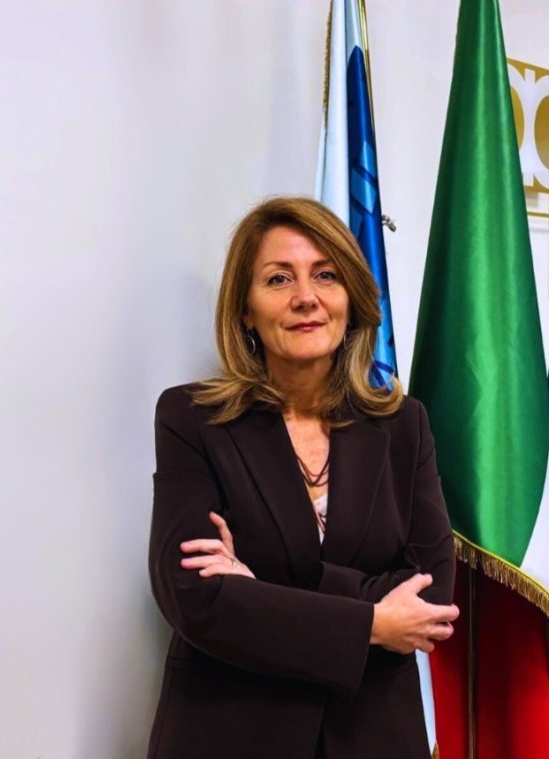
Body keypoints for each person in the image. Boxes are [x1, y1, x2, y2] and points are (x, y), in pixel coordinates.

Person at [147, 196, 459, 759]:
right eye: (278, 279)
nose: (305, 297)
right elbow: (194, 597)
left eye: (325, 275)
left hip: (372, 736)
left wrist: (257, 589)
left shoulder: (403, 426)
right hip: (232, 736)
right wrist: (373, 621)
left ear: (351, 299)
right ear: (245, 309)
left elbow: (430, 595)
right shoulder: (193, 419)